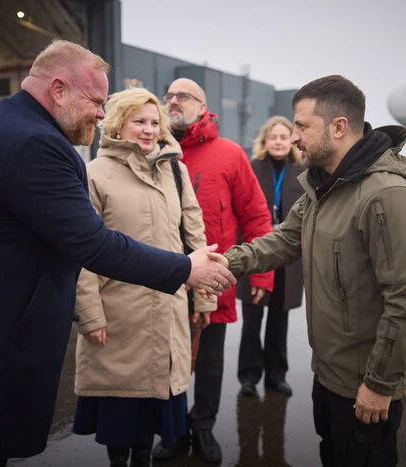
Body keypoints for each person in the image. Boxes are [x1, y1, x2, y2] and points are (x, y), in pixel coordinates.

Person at [0, 40, 235, 466]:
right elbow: (92, 242)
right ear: (58, 90)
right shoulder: (32, 143)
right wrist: (185, 268)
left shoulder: (13, 126)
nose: (99, 111)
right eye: (95, 100)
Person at [221, 75, 406, 467]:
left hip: (366, 387)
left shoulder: (386, 196)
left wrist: (380, 385)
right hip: (329, 376)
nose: (295, 135)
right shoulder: (324, 187)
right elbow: (284, 239)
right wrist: (227, 263)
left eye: (302, 125)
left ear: (338, 127)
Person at [71, 87, 216, 467]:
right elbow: (81, 254)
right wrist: (89, 314)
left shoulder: (175, 170)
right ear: (119, 124)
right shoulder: (93, 174)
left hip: (168, 312)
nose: (150, 130)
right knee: (121, 414)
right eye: (140, 121)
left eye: (155, 122)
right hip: (118, 316)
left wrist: (203, 296)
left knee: (155, 416)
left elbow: (195, 238)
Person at [151, 78, 274, 463]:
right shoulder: (152, 151)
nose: (173, 101)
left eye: (183, 96)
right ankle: (173, 430)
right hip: (163, 278)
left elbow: (255, 215)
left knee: (210, 360)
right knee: (165, 358)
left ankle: (202, 425)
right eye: (168, 96)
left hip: (211, 279)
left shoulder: (229, 154)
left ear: (203, 108)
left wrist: (261, 274)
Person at [236, 116, 305, 398]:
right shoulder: (252, 168)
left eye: (283, 136)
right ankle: (249, 376)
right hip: (257, 251)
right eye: (273, 137)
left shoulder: (302, 170)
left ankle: (277, 375)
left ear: (291, 141)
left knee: (279, 318)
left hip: (288, 256)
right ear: (265, 141)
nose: (278, 141)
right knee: (253, 319)